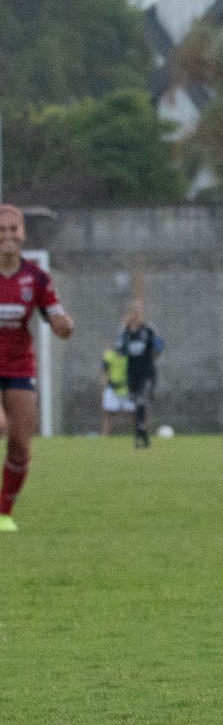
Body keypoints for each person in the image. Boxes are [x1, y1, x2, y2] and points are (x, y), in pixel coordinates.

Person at [0, 203, 75, 531]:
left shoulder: (37, 278)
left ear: (23, 233)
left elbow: (57, 317)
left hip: (19, 368)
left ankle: (3, 513)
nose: (7, 236)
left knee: (19, 443)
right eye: (1, 230)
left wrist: (64, 325)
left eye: (13, 229)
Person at [116, 302, 167, 449]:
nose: (137, 314)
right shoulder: (125, 333)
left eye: (139, 311)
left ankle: (139, 434)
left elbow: (159, 346)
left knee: (141, 402)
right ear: (130, 313)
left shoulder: (148, 330)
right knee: (137, 405)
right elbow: (120, 351)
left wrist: (155, 351)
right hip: (132, 373)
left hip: (147, 373)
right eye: (134, 311)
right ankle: (142, 435)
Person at [100, 343, 131, 438]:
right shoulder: (110, 356)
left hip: (128, 388)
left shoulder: (130, 357)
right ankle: (104, 437)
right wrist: (103, 379)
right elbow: (105, 369)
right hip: (112, 388)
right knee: (109, 413)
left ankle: (139, 435)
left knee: (134, 413)